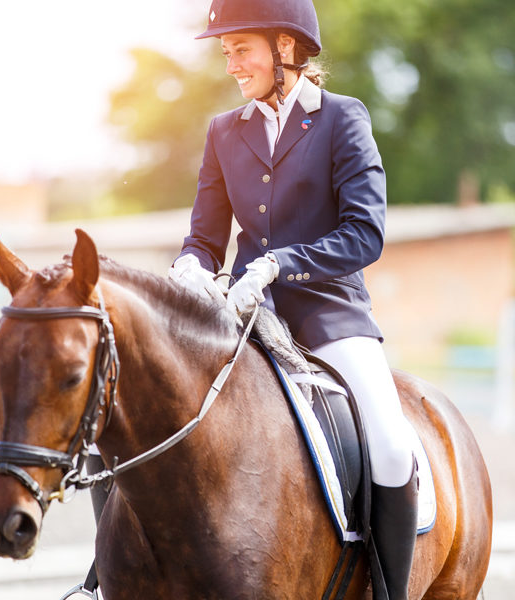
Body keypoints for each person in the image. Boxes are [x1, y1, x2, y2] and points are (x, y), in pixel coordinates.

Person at [167, 1, 418, 598]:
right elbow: (205, 237)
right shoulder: (224, 131)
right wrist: (189, 267)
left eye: (241, 49)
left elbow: (365, 233)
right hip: (243, 319)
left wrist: (283, 264)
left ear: (285, 47)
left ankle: (389, 591)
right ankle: (113, 573)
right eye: (225, 52)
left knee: (387, 443)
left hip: (330, 314)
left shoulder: (342, 119)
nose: (231, 64)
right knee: (156, 401)